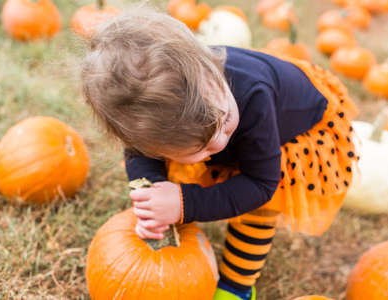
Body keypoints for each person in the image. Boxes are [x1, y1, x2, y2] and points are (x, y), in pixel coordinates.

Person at [81, 7, 359, 300]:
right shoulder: (162, 113)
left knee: (256, 208)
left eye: (224, 123)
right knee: (197, 158)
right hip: (234, 118)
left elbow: (261, 184)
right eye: (202, 146)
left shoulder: (254, 98)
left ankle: (237, 286)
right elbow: (140, 155)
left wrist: (184, 202)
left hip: (298, 126)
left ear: (211, 73)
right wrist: (150, 189)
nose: (219, 141)